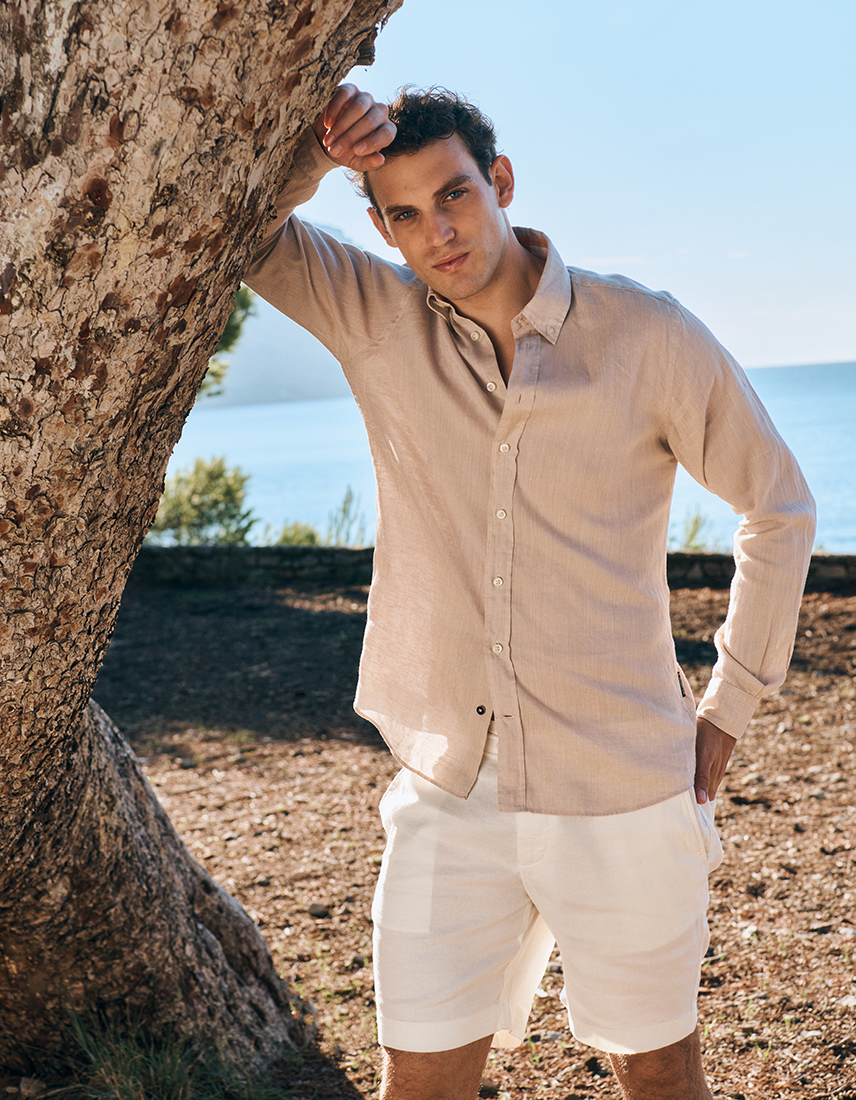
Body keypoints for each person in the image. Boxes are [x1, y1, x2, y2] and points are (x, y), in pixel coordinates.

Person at [245, 84, 815, 1100]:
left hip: (624, 784)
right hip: (448, 787)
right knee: (416, 1074)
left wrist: (730, 706)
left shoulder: (646, 333)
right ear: (377, 225)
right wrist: (317, 156)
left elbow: (779, 506)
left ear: (500, 182)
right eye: (405, 213)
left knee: (657, 1068)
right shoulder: (377, 317)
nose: (438, 230)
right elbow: (244, 229)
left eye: (454, 194)